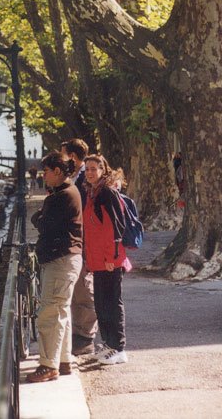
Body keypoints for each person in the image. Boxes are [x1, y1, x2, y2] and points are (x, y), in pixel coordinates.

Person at [26, 151, 83, 383]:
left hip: (60, 260)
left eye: (46, 171)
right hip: (67, 258)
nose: (43, 176)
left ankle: (48, 365)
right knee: (61, 311)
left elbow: (43, 224)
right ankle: (63, 360)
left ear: (57, 171)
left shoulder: (60, 197)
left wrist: (39, 218)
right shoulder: (69, 192)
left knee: (49, 313)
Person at [83, 154, 130, 365]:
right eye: (88, 169)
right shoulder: (93, 193)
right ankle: (109, 344)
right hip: (98, 259)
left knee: (112, 302)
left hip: (109, 259)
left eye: (94, 168)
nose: (90, 172)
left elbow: (116, 226)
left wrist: (112, 256)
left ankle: (119, 348)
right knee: (101, 303)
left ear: (103, 170)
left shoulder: (106, 193)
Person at [61, 137, 97, 357]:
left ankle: (85, 337)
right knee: (77, 289)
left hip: (83, 242)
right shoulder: (77, 177)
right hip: (77, 242)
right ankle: (80, 333)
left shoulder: (84, 178)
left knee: (84, 288)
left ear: (72, 157)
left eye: (63, 155)